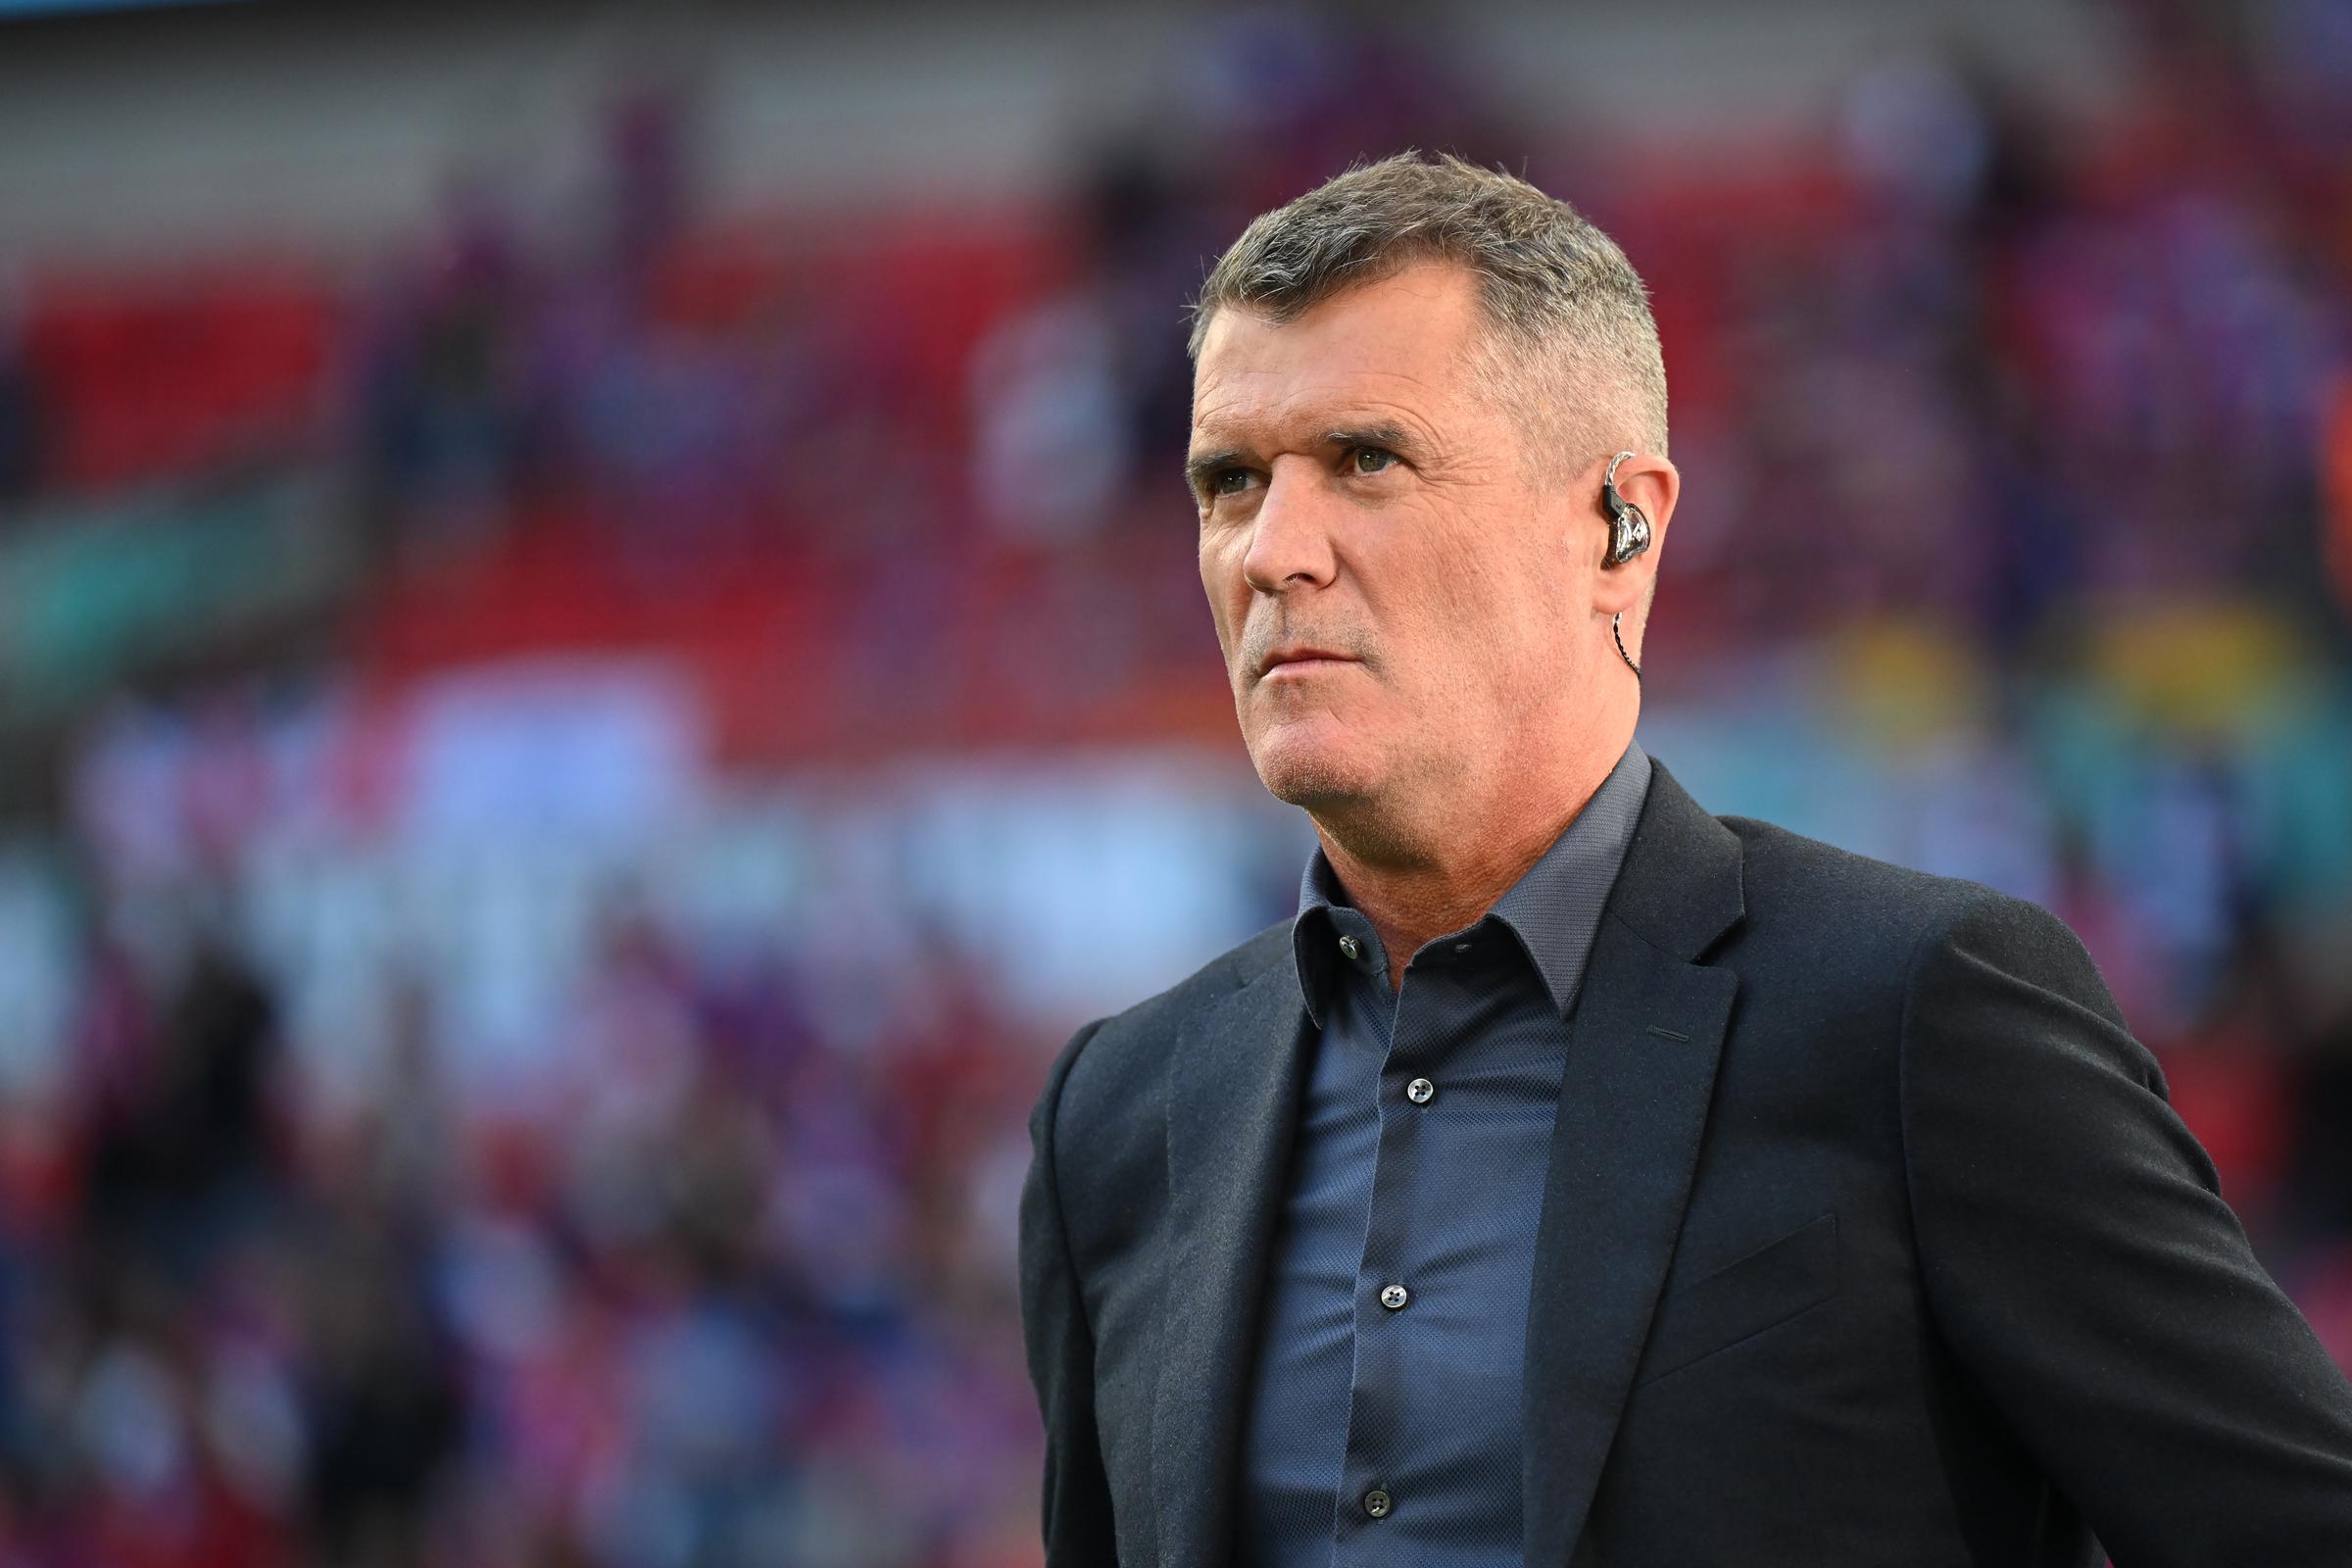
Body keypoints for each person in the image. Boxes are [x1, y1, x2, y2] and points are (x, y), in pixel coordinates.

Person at [1015, 152, 2352, 1567]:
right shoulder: (1121, 1118)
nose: (1273, 552)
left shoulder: (1921, 1015)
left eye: (1368, 460)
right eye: (1230, 481)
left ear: (1617, 527)